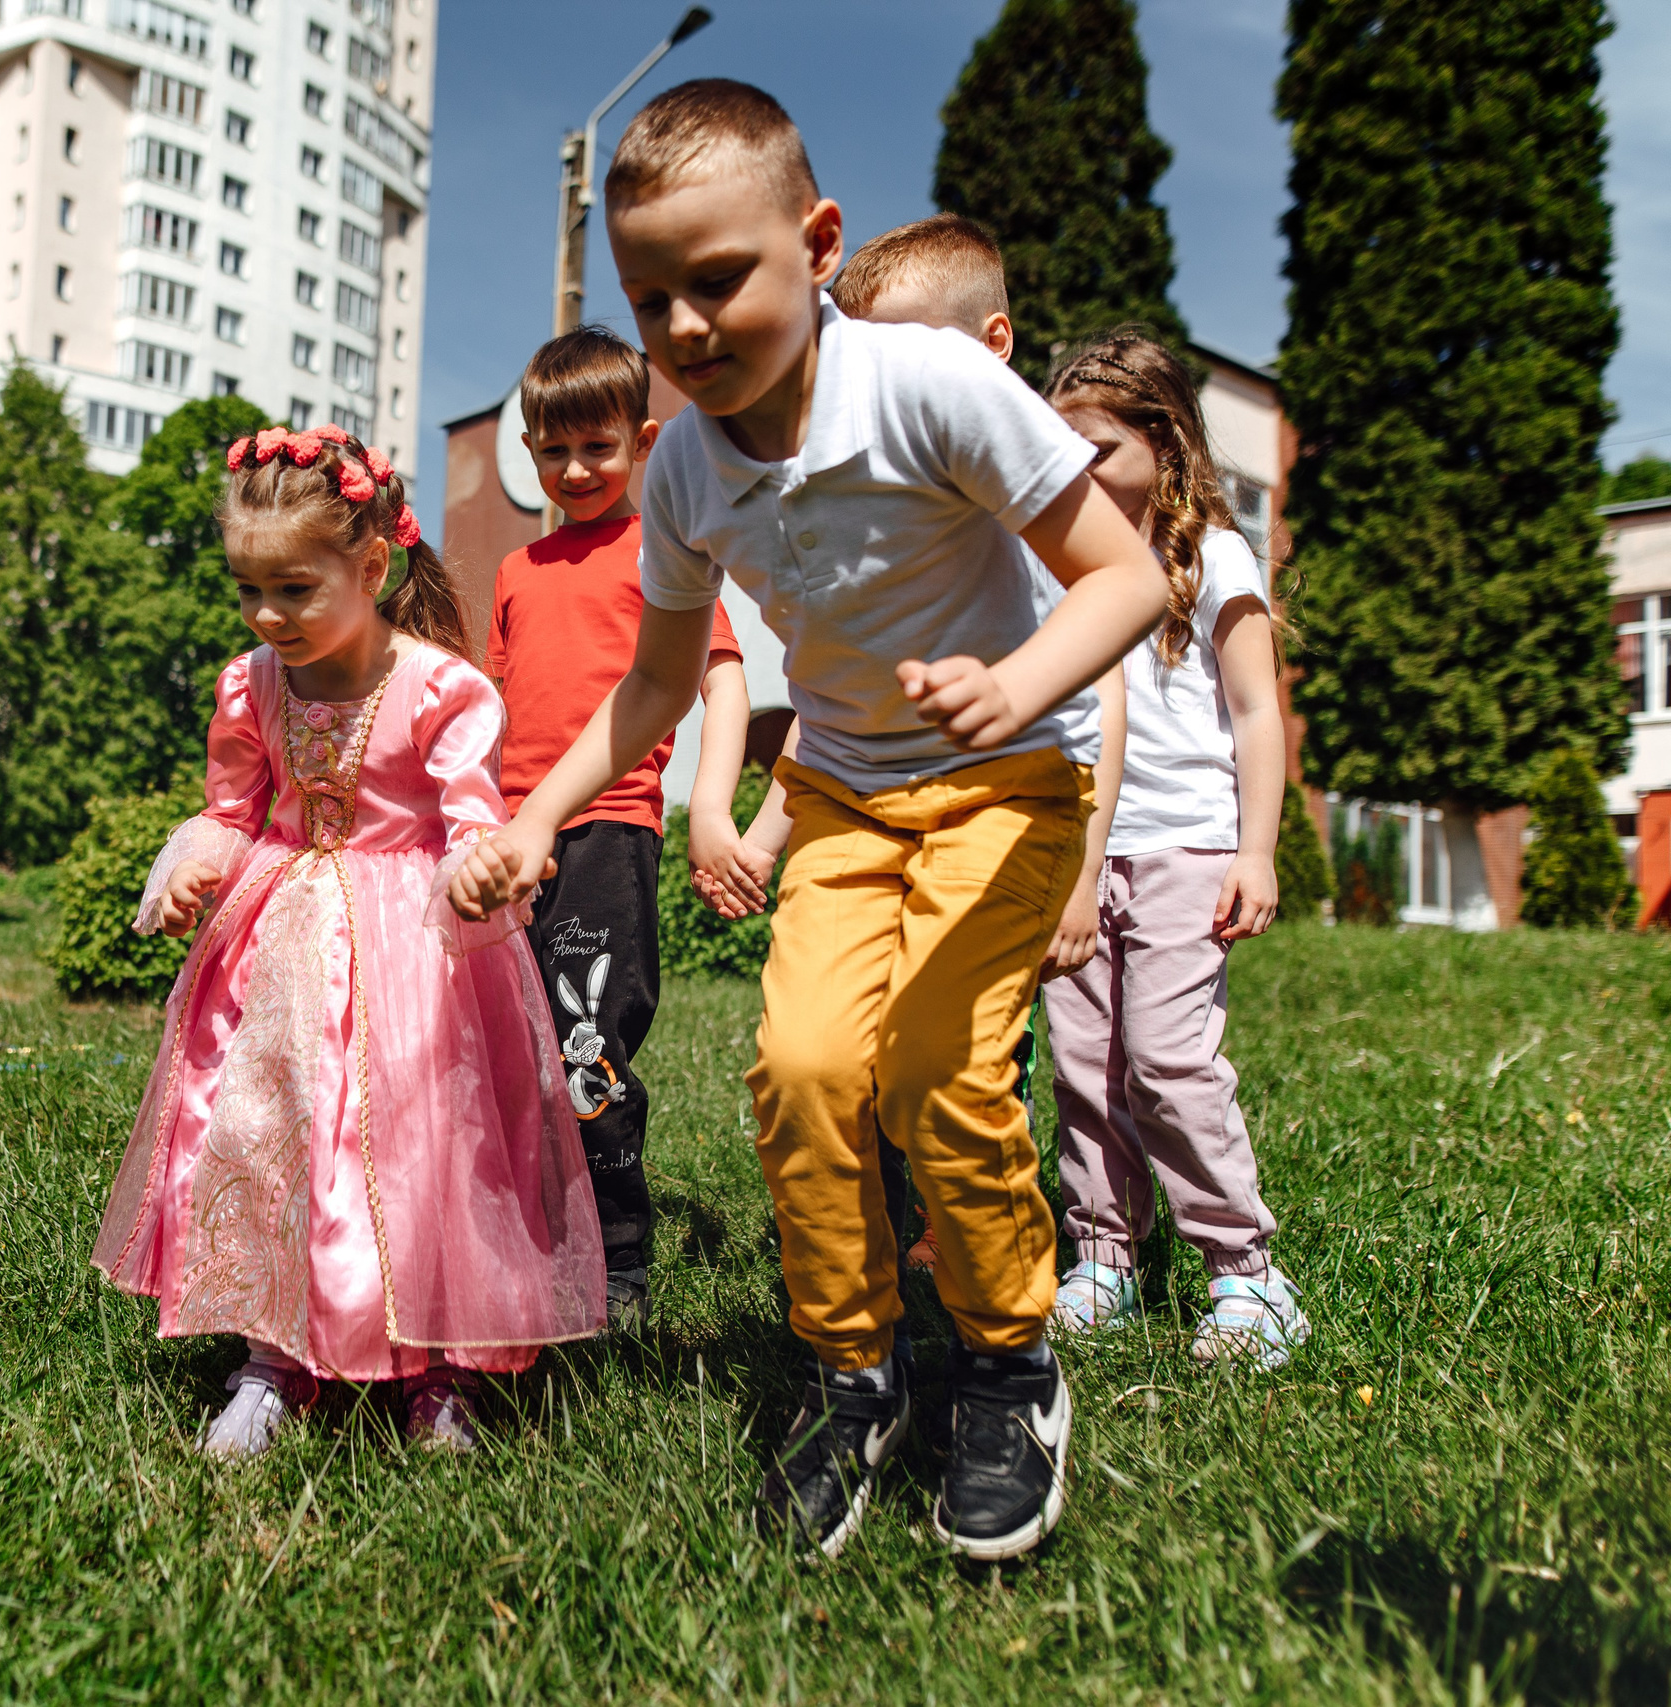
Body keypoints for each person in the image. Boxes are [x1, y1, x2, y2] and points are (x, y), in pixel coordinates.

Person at [448, 80, 1166, 1561]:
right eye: (652, 299)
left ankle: (1010, 1369)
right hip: (844, 796)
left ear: (819, 243)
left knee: (940, 1070)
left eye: (720, 280)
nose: (686, 325)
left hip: (1006, 780)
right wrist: (540, 818)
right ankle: (854, 1371)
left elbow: (1126, 576)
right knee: (804, 1069)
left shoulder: (927, 384)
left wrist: (1013, 681)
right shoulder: (685, 467)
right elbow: (657, 683)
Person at [92, 424, 604, 1460]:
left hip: (414, 953)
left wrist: (481, 868)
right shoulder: (253, 684)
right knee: (268, 1134)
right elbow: (235, 808)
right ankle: (274, 1355)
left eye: (294, 589)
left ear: (370, 569)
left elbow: (471, 819)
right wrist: (198, 860)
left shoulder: (440, 688)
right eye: (248, 590)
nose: (266, 615)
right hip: (280, 948)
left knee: (425, 1148)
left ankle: (442, 1365)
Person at [694, 214, 1130, 1279]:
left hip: (1007, 812)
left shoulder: (1022, 493)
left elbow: (1102, 684)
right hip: (870, 817)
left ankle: (986, 1271)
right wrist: (761, 834)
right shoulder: (881, 509)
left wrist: (1082, 872)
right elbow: (834, 704)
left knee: (956, 1060)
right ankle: (875, 1273)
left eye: (904, 346)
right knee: (830, 1056)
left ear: (992, 345)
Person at [1036, 331, 1309, 1367]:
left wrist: (1257, 851)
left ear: (1164, 442)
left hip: (1186, 850)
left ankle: (1246, 1272)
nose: (1078, 467)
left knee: (1165, 1061)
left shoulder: (1215, 558)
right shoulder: (1067, 566)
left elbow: (1257, 713)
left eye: (1099, 447)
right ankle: (1103, 1254)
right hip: (1079, 854)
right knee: (1082, 1066)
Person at [485, 325, 750, 1334]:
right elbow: (492, 711)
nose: (574, 469)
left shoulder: (662, 551)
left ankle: (616, 1252)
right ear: (528, 450)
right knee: (509, 1051)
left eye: (596, 447)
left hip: (609, 830)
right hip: (514, 836)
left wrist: (712, 807)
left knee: (584, 1047)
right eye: (552, 450)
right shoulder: (515, 570)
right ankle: (520, 1235)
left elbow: (722, 681)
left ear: (642, 442)